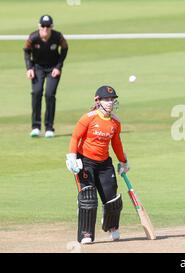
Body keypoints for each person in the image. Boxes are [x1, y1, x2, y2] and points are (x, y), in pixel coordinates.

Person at [65, 85, 130, 244]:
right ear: (97, 101)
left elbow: (116, 143)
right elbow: (75, 137)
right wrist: (72, 157)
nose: (110, 102)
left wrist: (123, 161)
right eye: (106, 99)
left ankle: (112, 227)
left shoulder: (115, 122)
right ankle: (86, 233)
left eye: (112, 99)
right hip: (85, 162)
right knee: (88, 198)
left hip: (104, 164)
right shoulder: (88, 118)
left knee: (112, 198)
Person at [24, 15, 68, 138]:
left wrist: (58, 67)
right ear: (39, 26)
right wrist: (29, 68)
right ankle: (36, 127)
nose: (45, 29)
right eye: (43, 26)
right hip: (37, 68)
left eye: (48, 26)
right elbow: (26, 51)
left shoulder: (57, 36)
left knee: (49, 95)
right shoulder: (33, 37)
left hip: (52, 68)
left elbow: (65, 48)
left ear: (51, 27)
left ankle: (49, 128)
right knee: (37, 93)